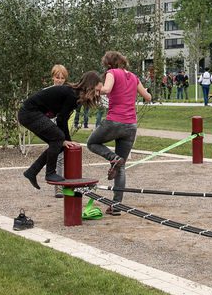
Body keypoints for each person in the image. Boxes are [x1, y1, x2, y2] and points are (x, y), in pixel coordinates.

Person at [87, 51, 152, 214]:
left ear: (109, 64)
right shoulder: (134, 77)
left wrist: (95, 89)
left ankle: (113, 158)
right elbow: (148, 97)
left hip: (115, 121)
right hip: (131, 125)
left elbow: (107, 88)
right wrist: (147, 92)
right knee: (121, 167)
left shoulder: (111, 73)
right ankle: (116, 207)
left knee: (92, 143)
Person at [19, 70, 101, 189]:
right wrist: (67, 139)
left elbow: (62, 120)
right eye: (97, 90)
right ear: (89, 87)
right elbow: (61, 120)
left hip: (30, 114)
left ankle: (32, 172)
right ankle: (50, 173)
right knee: (59, 138)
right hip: (29, 113)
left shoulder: (74, 95)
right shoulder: (72, 95)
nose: (98, 94)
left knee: (60, 144)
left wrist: (67, 141)